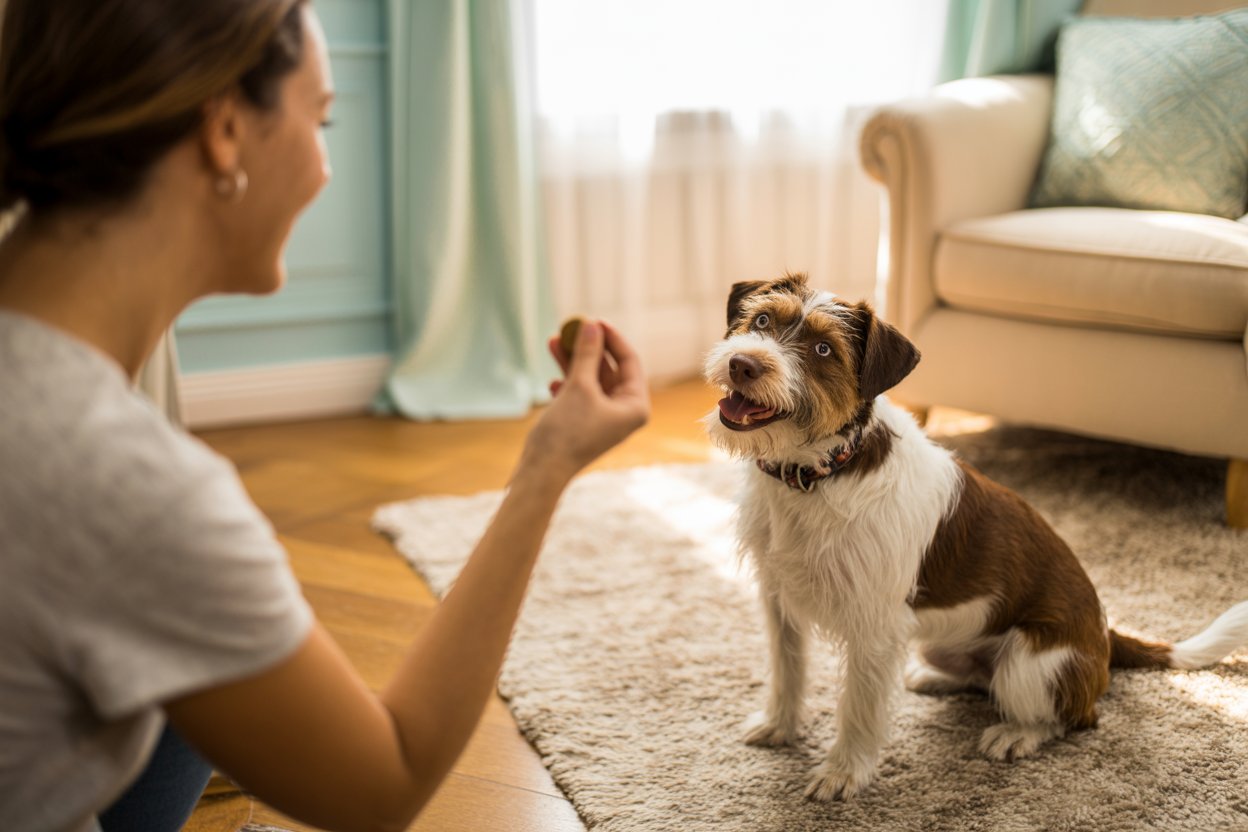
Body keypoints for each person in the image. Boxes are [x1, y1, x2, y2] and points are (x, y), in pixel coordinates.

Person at [0, 1, 650, 830]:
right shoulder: (124, 481)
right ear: (224, 131)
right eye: (322, 119)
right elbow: (383, 783)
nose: (323, 167)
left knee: (216, 635)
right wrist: (545, 470)